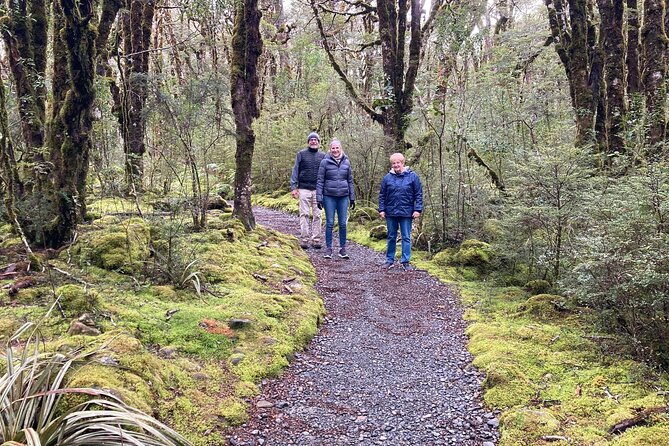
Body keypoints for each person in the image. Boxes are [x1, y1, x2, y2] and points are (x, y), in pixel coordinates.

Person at [378, 152, 423, 271]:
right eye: (393, 163)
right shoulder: (387, 178)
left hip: (406, 212)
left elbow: (418, 194)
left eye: (398, 162)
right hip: (390, 212)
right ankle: (389, 260)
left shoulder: (413, 176)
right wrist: (381, 209)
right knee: (391, 236)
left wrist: (417, 209)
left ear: (403, 163)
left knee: (406, 237)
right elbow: (382, 195)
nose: (396, 165)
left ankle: (405, 261)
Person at [316, 139, 355, 259]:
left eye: (337, 148)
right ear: (330, 149)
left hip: (343, 196)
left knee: (343, 223)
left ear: (341, 148)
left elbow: (350, 181)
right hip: (329, 196)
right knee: (330, 223)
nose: (335, 150)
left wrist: (352, 197)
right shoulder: (324, 162)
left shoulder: (347, 162)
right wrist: (319, 197)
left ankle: (343, 249)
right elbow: (320, 181)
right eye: (333, 148)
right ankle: (329, 249)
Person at [290, 132, 326, 249]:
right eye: (311, 140)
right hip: (304, 189)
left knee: (318, 215)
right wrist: (294, 187)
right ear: (308, 142)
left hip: (318, 190)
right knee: (304, 214)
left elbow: (327, 173)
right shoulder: (301, 154)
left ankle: (316, 239)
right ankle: (304, 239)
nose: (313, 141)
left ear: (319, 142)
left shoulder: (323, 156)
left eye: (316, 140)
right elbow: (295, 170)